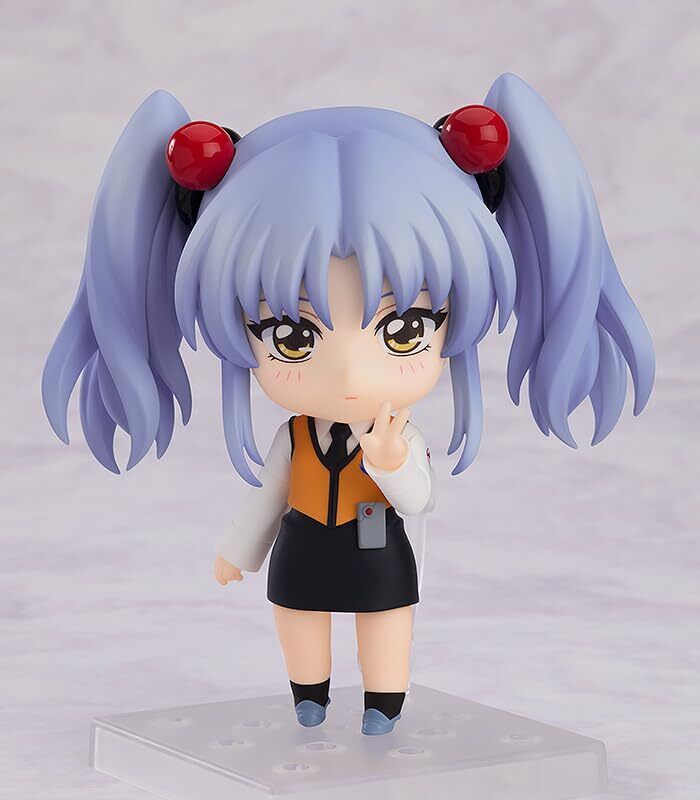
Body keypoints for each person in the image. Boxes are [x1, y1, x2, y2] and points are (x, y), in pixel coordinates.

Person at [42, 73, 655, 735]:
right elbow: (268, 497)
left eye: (405, 330)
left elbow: (418, 500)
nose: (351, 374)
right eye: (292, 337)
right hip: (303, 544)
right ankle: (309, 696)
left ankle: (383, 704)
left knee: (385, 623)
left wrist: (391, 462)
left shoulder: (399, 434)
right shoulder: (295, 440)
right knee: (298, 618)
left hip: (377, 546)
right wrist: (238, 548)